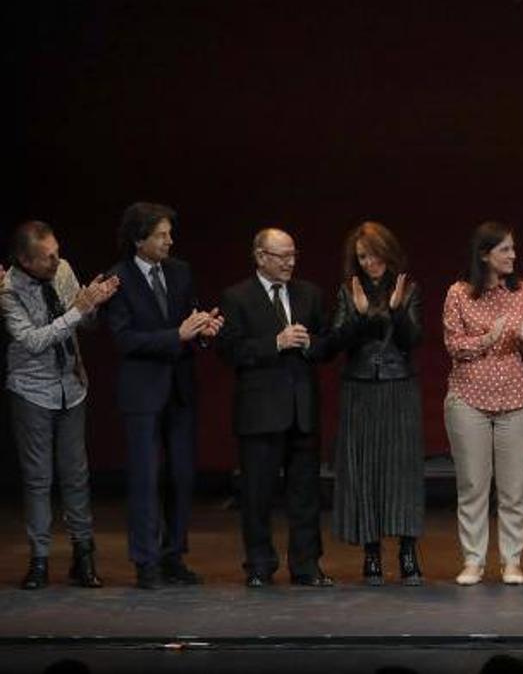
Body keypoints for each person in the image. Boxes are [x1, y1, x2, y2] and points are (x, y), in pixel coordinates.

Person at [105, 202, 223, 589]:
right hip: (142, 391)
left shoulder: (180, 271)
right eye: (161, 235)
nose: (169, 241)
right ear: (139, 239)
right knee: (145, 477)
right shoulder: (118, 278)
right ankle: (146, 561)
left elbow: (188, 319)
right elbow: (124, 339)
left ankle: (174, 555)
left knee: (181, 475)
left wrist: (204, 330)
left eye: (170, 233)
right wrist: (176, 336)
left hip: (179, 388)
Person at [1, 221, 119, 589]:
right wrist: (78, 310)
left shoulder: (64, 269)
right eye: (46, 257)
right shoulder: (8, 291)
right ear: (24, 260)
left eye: (56, 252)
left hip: (72, 385)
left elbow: (84, 324)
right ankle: (39, 560)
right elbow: (34, 340)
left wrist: (93, 304)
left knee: (76, 476)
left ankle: (83, 555)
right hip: (32, 390)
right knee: (38, 479)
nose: (56, 261)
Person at [217, 227, 334, 588]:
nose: (290, 263)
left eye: (293, 255)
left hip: (302, 410)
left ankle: (307, 566)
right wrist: (275, 343)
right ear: (260, 256)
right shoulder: (236, 297)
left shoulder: (309, 294)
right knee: (257, 495)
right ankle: (259, 565)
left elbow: (329, 342)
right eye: (282, 256)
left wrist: (310, 343)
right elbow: (230, 350)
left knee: (305, 495)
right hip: (260, 412)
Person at [442, 221, 523, 585]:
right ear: (485, 254)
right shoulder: (458, 293)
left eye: (514, 249)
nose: (513, 255)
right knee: (473, 485)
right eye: (505, 250)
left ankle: (512, 561)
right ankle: (473, 560)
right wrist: (491, 336)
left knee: (515, 487)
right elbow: (454, 345)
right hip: (469, 399)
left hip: (516, 398)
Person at [329, 221, 426, 586]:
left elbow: (414, 338)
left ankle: (407, 551)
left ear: (388, 252)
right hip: (361, 389)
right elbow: (337, 342)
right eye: (362, 257)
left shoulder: (408, 289)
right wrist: (357, 315)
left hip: (398, 386)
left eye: (374, 255)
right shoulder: (347, 291)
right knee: (364, 471)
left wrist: (398, 310)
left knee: (401, 472)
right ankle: (371, 552)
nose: (370, 263)